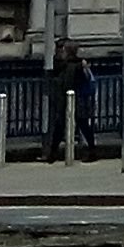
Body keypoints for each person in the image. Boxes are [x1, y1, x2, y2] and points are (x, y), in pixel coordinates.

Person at [49, 30, 87, 164]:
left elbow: (73, 81)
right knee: (67, 126)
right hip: (70, 99)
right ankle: (52, 152)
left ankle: (53, 153)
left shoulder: (72, 66)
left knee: (79, 125)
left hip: (72, 99)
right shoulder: (67, 65)